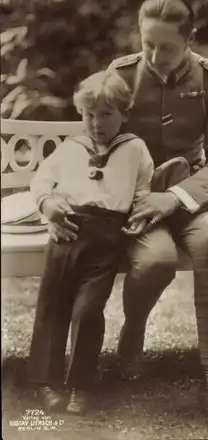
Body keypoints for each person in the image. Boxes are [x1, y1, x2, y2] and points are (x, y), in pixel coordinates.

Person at [49, 0, 208, 437]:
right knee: (155, 261)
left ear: (190, 39)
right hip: (133, 198)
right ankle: (134, 329)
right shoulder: (120, 74)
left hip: (190, 196)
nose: (155, 56)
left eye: (167, 46)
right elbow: (93, 138)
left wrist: (173, 198)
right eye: (147, 43)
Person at [27, 72, 155, 414]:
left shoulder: (134, 149)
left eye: (106, 114)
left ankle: (80, 384)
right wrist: (48, 206)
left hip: (108, 238)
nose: (96, 124)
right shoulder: (71, 148)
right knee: (53, 305)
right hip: (67, 230)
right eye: (89, 115)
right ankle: (45, 381)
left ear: (125, 113)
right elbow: (41, 181)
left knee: (88, 310)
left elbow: (142, 188)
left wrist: (140, 212)